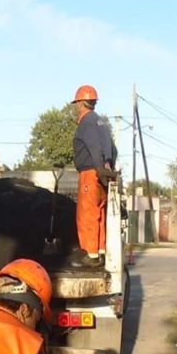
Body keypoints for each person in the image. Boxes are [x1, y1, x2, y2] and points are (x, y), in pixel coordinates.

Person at [70, 85, 118, 268]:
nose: (76, 107)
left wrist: (98, 168)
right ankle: (100, 252)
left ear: (81, 103)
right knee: (100, 213)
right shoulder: (100, 122)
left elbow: (93, 146)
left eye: (77, 104)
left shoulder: (87, 122)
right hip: (101, 173)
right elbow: (112, 149)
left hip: (90, 173)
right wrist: (107, 167)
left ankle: (89, 256)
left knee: (87, 213)